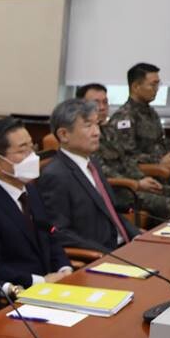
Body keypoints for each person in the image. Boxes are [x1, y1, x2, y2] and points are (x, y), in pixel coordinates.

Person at [0, 118, 72, 293]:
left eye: (32, 147)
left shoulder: (30, 190)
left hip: (53, 286)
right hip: (20, 295)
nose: (33, 156)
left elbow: (50, 235)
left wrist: (64, 269)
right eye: (23, 150)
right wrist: (40, 281)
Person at [39, 99, 139, 252]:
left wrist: (138, 237)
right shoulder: (55, 176)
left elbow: (111, 212)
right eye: (88, 126)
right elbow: (61, 233)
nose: (97, 132)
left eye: (97, 124)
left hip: (124, 246)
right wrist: (106, 254)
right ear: (64, 134)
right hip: (101, 255)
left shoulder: (92, 163)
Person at [82, 79, 170, 224]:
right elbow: (100, 170)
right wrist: (136, 183)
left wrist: (141, 178)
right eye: (96, 103)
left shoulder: (109, 131)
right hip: (116, 189)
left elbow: (127, 159)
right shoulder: (84, 136)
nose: (102, 107)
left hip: (133, 182)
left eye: (105, 102)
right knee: (167, 204)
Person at [101, 63, 170, 218]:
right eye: (153, 84)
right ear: (136, 86)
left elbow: (162, 142)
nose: (157, 89)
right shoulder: (125, 117)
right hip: (138, 175)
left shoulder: (151, 113)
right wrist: (159, 161)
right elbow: (128, 155)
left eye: (158, 84)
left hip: (157, 171)